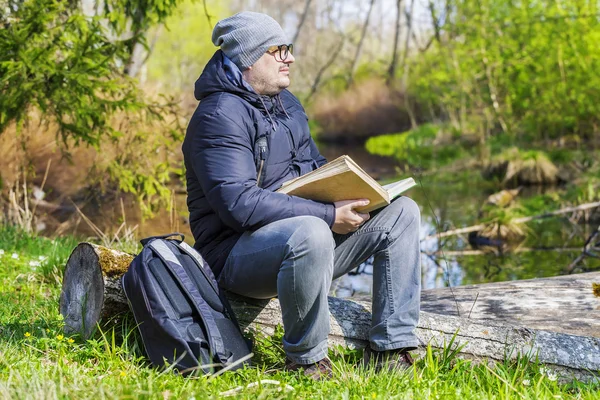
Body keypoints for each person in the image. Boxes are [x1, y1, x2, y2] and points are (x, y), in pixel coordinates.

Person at [182, 11, 421, 380]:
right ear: (248, 59)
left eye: (287, 48)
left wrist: (357, 194)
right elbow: (238, 205)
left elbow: (315, 168)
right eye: (277, 51)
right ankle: (307, 361)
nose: (289, 58)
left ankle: (391, 348)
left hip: (302, 240)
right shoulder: (218, 115)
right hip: (233, 256)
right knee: (310, 230)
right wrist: (328, 216)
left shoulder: (287, 105)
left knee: (403, 212)